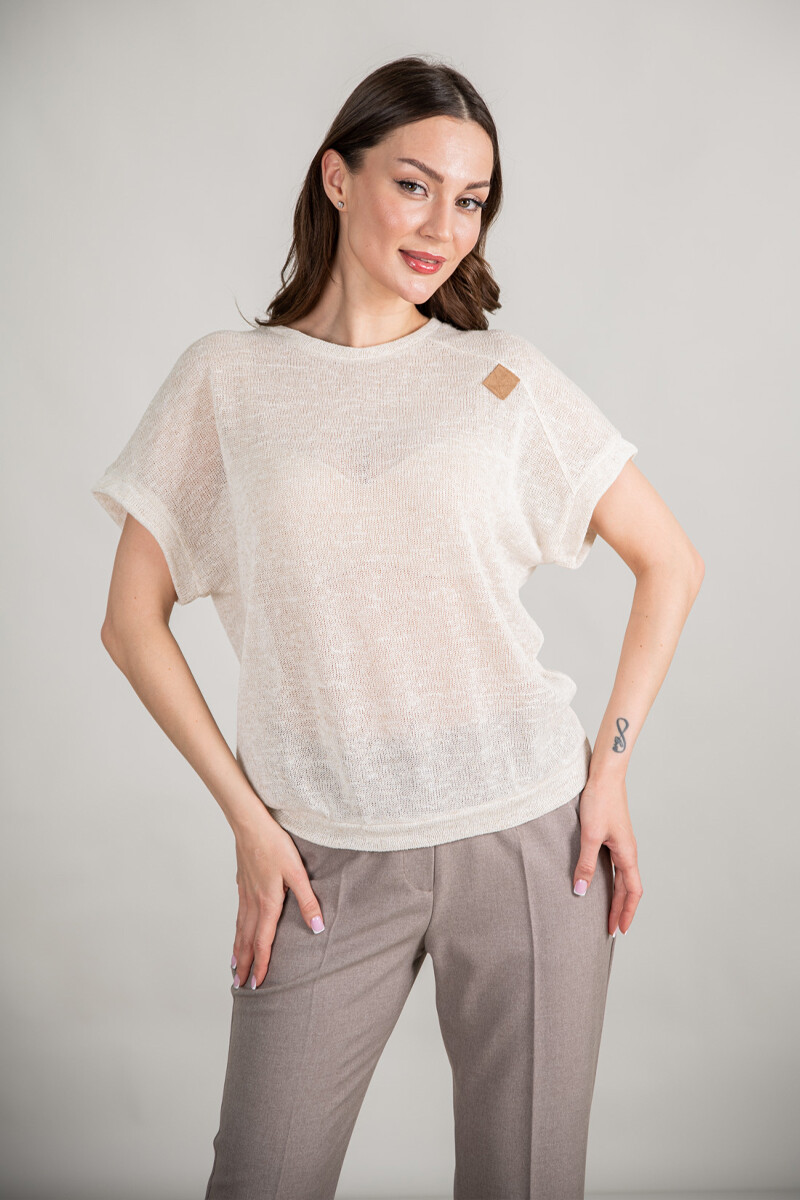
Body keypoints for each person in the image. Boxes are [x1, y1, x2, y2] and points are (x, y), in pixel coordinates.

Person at [91, 54, 703, 1200]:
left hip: (528, 833)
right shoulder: (225, 380)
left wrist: (609, 773)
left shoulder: (500, 379)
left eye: (470, 200)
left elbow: (669, 561)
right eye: (413, 185)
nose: (442, 227)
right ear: (337, 177)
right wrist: (249, 822)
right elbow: (131, 623)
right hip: (320, 857)